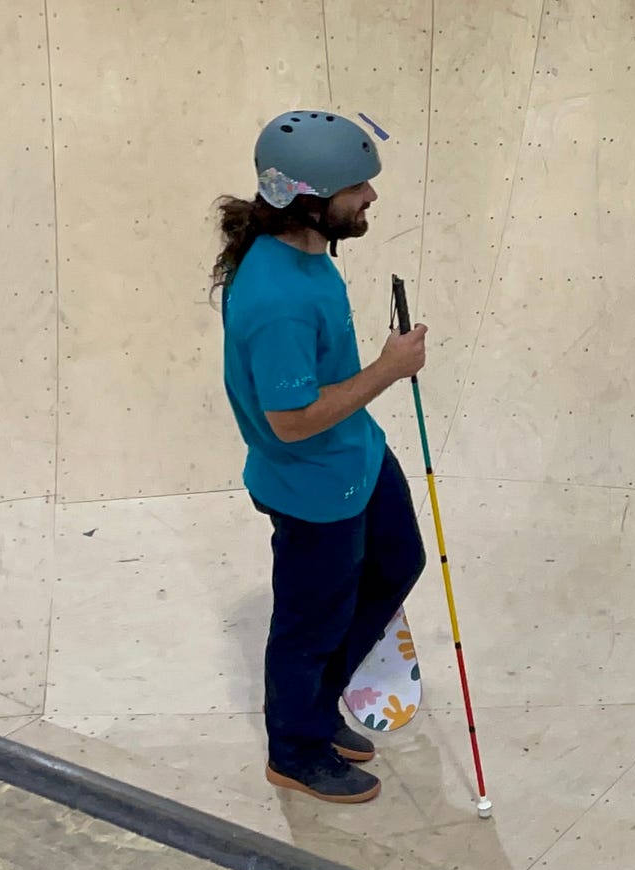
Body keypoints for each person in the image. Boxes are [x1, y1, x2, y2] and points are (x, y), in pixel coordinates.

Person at [209, 109, 429, 804]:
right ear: (309, 201)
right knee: (310, 624)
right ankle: (296, 748)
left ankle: (320, 704)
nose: (370, 198)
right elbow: (293, 420)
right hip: (313, 486)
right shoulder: (276, 298)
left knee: (399, 563)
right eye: (357, 188)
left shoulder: (303, 253)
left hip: (356, 458)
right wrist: (389, 369)